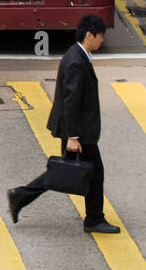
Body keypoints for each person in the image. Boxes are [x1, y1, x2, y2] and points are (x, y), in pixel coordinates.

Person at [7, 14, 119, 234]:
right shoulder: (76, 62)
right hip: (78, 130)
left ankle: (20, 196)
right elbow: (71, 101)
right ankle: (94, 219)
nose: (102, 40)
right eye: (100, 36)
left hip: (76, 128)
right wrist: (73, 136)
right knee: (94, 173)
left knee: (62, 173)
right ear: (89, 35)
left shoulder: (78, 55)